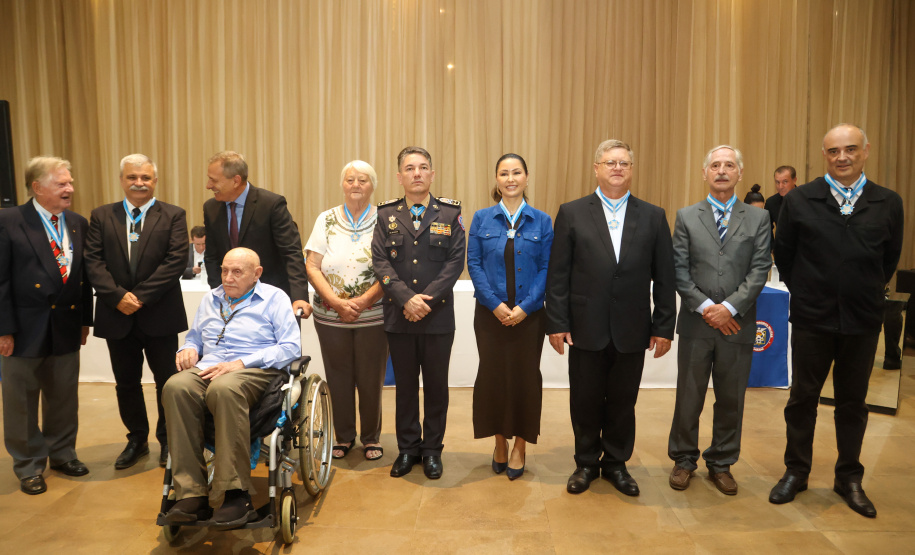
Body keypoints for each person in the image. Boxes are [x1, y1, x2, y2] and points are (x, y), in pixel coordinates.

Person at [769, 124, 903, 518]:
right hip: (812, 318)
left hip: (862, 320)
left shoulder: (887, 202)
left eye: (850, 150)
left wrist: (859, 287)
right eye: (833, 151)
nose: (841, 157)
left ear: (865, 151)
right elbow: (785, 255)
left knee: (852, 403)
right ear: (823, 155)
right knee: (802, 400)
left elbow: (888, 260)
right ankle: (796, 471)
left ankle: (849, 477)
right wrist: (813, 290)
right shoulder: (801, 200)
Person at [546, 139, 676, 496]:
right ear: (596, 169)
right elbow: (558, 274)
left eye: (623, 163)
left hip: (633, 328)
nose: (617, 168)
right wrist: (557, 322)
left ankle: (616, 464)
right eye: (609, 162)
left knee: (623, 401)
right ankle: (586, 463)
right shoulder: (571, 212)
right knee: (585, 400)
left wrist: (664, 325)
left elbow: (665, 277)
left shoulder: (653, 216)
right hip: (584, 327)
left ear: (631, 170)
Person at [163, 248, 300, 529]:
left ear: (256, 274)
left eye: (237, 272)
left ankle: (235, 494)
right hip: (211, 367)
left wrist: (241, 362)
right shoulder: (210, 299)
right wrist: (188, 348)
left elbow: (290, 347)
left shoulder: (274, 298)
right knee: (175, 386)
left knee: (224, 389)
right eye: (224, 270)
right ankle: (192, 493)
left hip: (255, 370)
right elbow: (194, 337)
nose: (227, 277)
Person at [667, 145, 772, 495]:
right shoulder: (686, 216)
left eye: (729, 165)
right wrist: (706, 308)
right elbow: (678, 270)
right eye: (715, 165)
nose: (722, 171)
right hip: (697, 325)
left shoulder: (758, 218)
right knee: (689, 396)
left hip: (738, 324)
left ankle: (722, 462)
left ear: (739, 173)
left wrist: (729, 308)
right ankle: (684, 460)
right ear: (704, 173)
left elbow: (759, 270)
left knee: (731, 398)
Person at [85, 154, 189, 470]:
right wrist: (118, 297)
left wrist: (138, 297)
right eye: (132, 177)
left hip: (159, 314)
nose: (139, 183)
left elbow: (175, 261)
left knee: (167, 382)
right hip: (116, 316)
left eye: (145, 177)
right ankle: (137, 440)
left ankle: (169, 440)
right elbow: (93, 261)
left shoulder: (173, 215)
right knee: (126, 382)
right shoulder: (102, 216)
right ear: (122, 180)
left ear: (154, 181)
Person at [0, 157, 93, 495]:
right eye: (61, 184)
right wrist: (3, 329)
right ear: (37, 187)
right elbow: (1, 281)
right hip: (23, 328)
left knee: (64, 397)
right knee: (21, 399)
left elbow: (83, 280)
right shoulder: (9, 221)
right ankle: (28, 464)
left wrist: (85, 322)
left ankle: (63, 453)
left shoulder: (77, 223)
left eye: (70, 183)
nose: (70, 189)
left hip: (66, 324)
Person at [371, 146, 465, 480]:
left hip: (437, 317)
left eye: (423, 167)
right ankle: (408, 449)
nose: (417, 173)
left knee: (437, 388)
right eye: (410, 168)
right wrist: (405, 299)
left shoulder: (450, 214)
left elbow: (455, 263)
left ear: (432, 174)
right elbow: (380, 262)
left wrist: (423, 300)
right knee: (406, 388)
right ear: (400, 176)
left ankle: (432, 451)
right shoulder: (385, 215)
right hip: (399, 316)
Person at [467, 153, 553, 481]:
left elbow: (548, 267)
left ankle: (520, 445)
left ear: (527, 178)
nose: (510, 178)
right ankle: (499, 441)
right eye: (504, 173)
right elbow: (473, 263)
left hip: (529, 317)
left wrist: (525, 307)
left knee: (525, 378)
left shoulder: (542, 221)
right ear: (496, 180)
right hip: (490, 315)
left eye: (516, 172)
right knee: (493, 378)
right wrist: (495, 304)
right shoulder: (482, 219)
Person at [304, 161, 387, 461]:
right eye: (350, 179)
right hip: (330, 315)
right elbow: (312, 265)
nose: (355, 185)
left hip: (373, 314)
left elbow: (390, 268)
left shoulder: (385, 218)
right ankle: (343, 436)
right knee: (337, 376)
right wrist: (337, 303)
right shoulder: (325, 219)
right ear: (342, 184)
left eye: (362, 180)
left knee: (370, 378)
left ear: (372, 185)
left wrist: (363, 301)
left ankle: (370, 437)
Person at [202, 151, 312, 317]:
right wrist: (221, 293)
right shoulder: (211, 208)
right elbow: (211, 256)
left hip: (272, 299)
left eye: (214, 180)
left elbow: (291, 253)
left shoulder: (271, 204)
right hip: (230, 301)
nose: (208, 185)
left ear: (236, 180)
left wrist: (299, 297)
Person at [764, 165, 797, 247]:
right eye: (777, 182)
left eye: (785, 182)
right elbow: (767, 229)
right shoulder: (771, 202)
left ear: (794, 180)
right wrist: (772, 247)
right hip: (782, 249)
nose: (780, 186)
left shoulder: (805, 199)